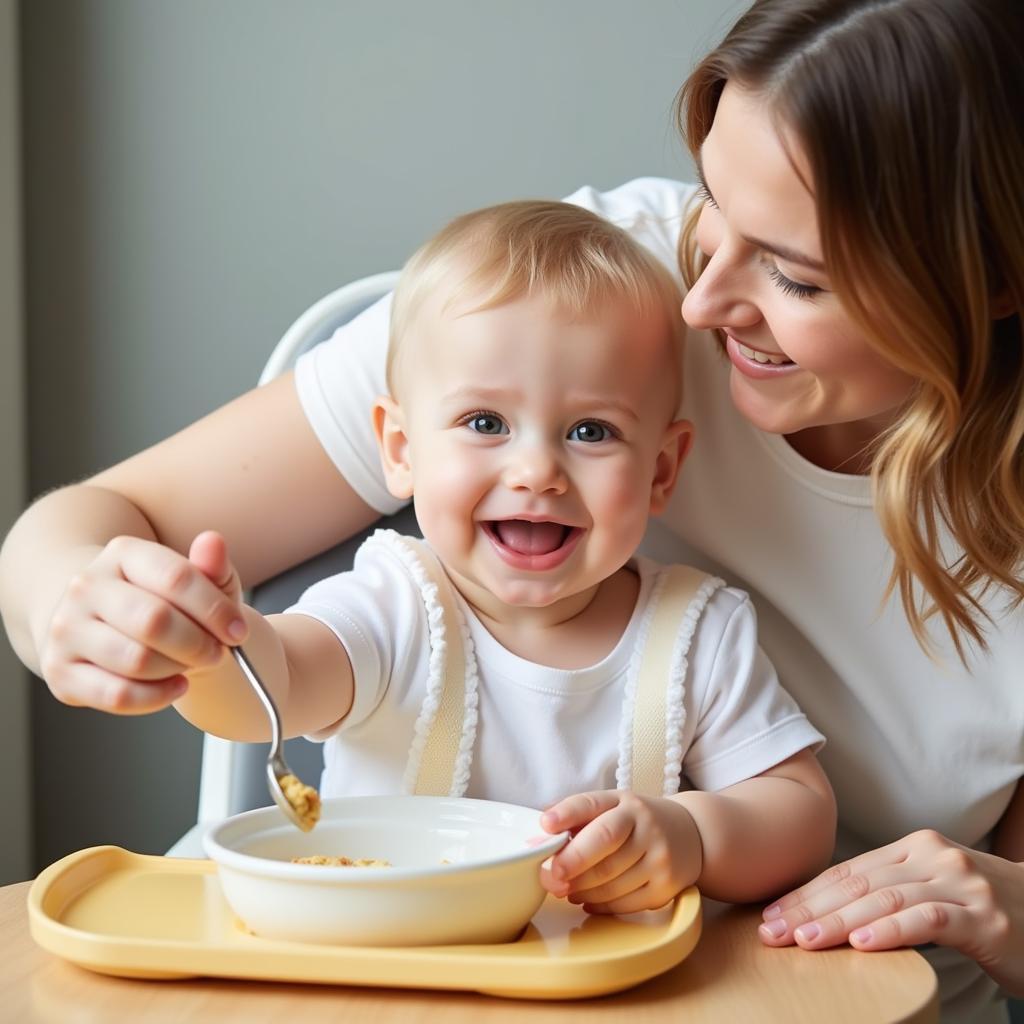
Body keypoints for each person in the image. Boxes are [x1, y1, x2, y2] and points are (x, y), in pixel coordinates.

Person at [0, 0, 1021, 1019]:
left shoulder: (698, 628)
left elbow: (796, 813)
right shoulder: (580, 304)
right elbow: (123, 537)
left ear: (992, 285)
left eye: (798, 275)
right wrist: (121, 620)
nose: (700, 303)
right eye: (714, 207)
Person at [169, 199, 836, 912]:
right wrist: (210, 646)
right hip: (390, 977)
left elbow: (799, 812)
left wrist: (693, 835)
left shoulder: (695, 632)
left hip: (607, 994)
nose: (536, 471)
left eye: (590, 430)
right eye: (485, 422)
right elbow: (276, 685)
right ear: (400, 450)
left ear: (660, 471)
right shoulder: (395, 603)